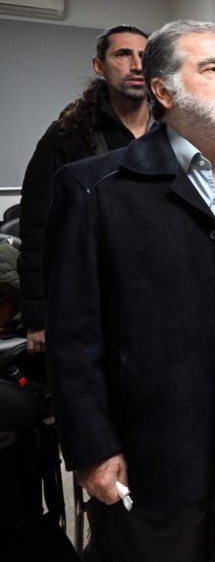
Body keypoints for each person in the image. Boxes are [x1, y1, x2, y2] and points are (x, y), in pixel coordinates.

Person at [44, 19, 215, 562]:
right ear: (163, 90)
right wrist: (93, 449)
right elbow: (74, 337)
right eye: (212, 69)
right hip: (150, 459)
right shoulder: (95, 189)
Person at [17, 25, 150, 356]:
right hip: (93, 298)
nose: (137, 65)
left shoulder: (175, 133)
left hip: (161, 295)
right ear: (99, 66)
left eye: (145, 56)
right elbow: (39, 228)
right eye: (123, 54)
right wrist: (39, 316)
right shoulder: (69, 135)